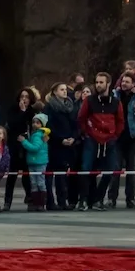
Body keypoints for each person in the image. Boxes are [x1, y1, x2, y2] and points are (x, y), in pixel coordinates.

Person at [80, 72, 123, 210]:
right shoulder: (89, 100)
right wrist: (87, 133)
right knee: (86, 169)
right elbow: (81, 118)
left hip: (109, 140)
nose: (98, 85)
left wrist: (115, 136)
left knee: (110, 170)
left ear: (108, 84)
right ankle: (84, 200)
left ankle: (99, 198)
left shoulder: (116, 102)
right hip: (92, 139)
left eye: (101, 82)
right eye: (96, 82)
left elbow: (120, 121)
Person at [44, 82, 81, 211]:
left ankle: (62, 200)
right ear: (54, 92)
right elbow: (48, 126)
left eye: (65, 89)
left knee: (63, 175)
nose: (65, 92)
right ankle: (50, 201)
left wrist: (73, 137)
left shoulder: (71, 107)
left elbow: (75, 124)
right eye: (61, 89)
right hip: (54, 144)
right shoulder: (49, 107)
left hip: (69, 144)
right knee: (50, 174)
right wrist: (60, 139)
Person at [20, 112, 50, 209]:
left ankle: (40, 203)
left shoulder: (38, 135)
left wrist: (24, 141)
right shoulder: (36, 134)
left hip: (39, 162)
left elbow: (35, 148)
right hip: (33, 162)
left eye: (38, 123)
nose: (35, 124)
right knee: (34, 183)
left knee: (39, 183)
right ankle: (37, 203)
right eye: (34, 122)